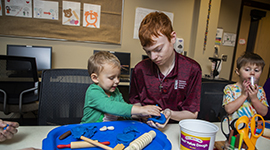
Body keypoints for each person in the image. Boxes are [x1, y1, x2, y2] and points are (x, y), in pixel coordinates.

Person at [129, 11, 202, 128]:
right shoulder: (140, 70)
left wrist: (170, 114)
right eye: (147, 51)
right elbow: (134, 103)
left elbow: (192, 114)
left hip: (176, 129)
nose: (153, 57)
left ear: (172, 38)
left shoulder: (191, 70)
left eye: (158, 49)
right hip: (145, 128)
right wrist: (143, 113)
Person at [81, 51, 161, 123]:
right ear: (95, 78)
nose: (117, 81)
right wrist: (141, 109)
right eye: (111, 78)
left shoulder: (116, 92)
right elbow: (112, 107)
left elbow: (124, 112)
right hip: (88, 131)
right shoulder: (93, 92)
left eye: (118, 77)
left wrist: (141, 115)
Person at [222, 52, 268, 121]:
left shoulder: (260, 90)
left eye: (256, 70)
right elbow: (228, 109)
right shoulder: (230, 88)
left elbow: (264, 112)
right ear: (238, 71)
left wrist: (254, 98)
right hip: (232, 128)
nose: (252, 73)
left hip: (251, 129)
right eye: (247, 70)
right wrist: (243, 95)